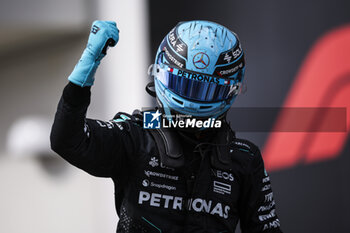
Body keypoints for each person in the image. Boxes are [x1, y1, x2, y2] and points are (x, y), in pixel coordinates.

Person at [50, 20, 283, 233]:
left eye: (204, 90)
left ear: (231, 90)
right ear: (159, 73)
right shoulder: (136, 135)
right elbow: (67, 139)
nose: (191, 101)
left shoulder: (243, 157)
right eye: (182, 84)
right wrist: (89, 59)